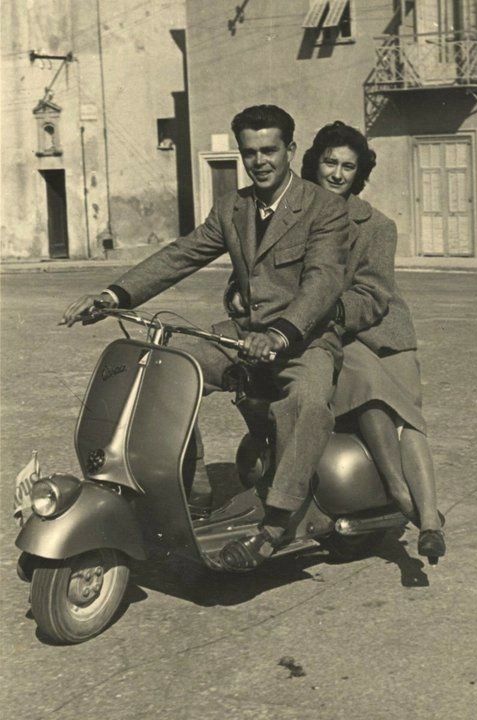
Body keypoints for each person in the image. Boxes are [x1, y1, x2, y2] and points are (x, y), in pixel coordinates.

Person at [62, 105, 351, 572]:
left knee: (309, 401)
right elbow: (181, 255)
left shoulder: (323, 208)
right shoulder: (233, 207)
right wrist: (113, 295)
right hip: (242, 337)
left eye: (270, 150)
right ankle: (187, 489)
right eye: (250, 152)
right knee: (164, 363)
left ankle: (277, 524)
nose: (260, 161)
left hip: (304, 341)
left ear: (291, 151)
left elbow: (322, 283)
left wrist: (281, 333)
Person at [300, 120, 445, 559]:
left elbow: (375, 294)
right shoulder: (297, 215)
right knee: (372, 394)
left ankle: (429, 519)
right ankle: (406, 500)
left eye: (348, 166)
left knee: (404, 415)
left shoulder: (377, 225)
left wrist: (318, 315)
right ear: (315, 164)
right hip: (338, 337)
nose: (338, 173)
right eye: (330, 162)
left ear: (359, 174)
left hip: (382, 331)